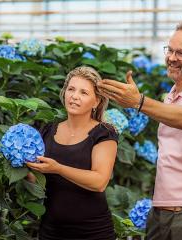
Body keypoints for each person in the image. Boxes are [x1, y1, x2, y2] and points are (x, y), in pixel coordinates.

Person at [98, 22, 182, 240]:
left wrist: (138, 102)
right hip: (161, 213)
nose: (172, 57)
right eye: (170, 50)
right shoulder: (171, 96)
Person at [27, 66, 118, 240]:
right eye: (71, 89)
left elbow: (99, 182)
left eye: (84, 93)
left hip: (93, 233)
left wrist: (58, 168)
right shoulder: (47, 130)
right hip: (51, 231)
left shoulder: (104, 133)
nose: (75, 96)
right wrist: (23, 167)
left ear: (96, 101)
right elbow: (38, 181)